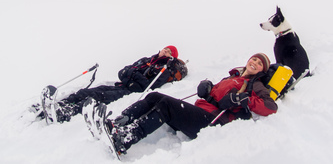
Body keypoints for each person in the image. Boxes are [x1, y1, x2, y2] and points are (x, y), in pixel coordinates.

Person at [97, 53, 277, 155]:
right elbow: (216, 92)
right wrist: (207, 87)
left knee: (166, 105)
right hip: (201, 111)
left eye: (260, 63)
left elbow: (270, 106)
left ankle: (125, 139)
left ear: (262, 70)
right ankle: (118, 123)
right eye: (254, 59)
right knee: (155, 96)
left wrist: (243, 99)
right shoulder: (233, 77)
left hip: (213, 123)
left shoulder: (256, 84)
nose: (255, 63)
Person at [41, 45, 182, 123]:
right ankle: (60, 104)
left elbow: (146, 87)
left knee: (96, 96)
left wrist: (131, 76)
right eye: (166, 48)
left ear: (171, 57)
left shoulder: (163, 70)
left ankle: (66, 113)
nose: (166, 51)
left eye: (169, 52)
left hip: (128, 92)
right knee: (86, 91)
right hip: (122, 85)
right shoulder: (146, 60)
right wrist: (131, 76)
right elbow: (122, 72)